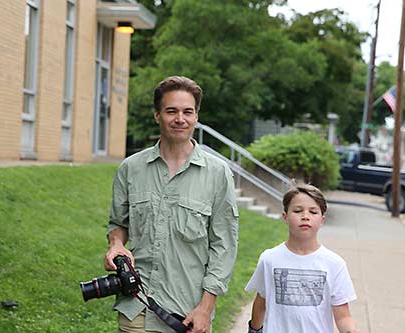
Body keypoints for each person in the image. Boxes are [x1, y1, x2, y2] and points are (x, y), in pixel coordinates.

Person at [105, 76, 239, 333]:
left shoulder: (217, 173)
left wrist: (205, 309)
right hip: (137, 307)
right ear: (157, 115)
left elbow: (224, 246)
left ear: (196, 117)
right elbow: (118, 224)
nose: (180, 119)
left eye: (188, 111)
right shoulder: (130, 169)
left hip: (188, 314)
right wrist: (116, 244)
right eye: (171, 111)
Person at [245, 184, 359, 333]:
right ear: (285, 217)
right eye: (298, 211)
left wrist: (351, 330)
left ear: (322, 220)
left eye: (313, 212)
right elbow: (261, 300)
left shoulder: (335, 264)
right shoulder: (269, 259)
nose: (305, 216)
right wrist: (254, 330)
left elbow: (343, 315)